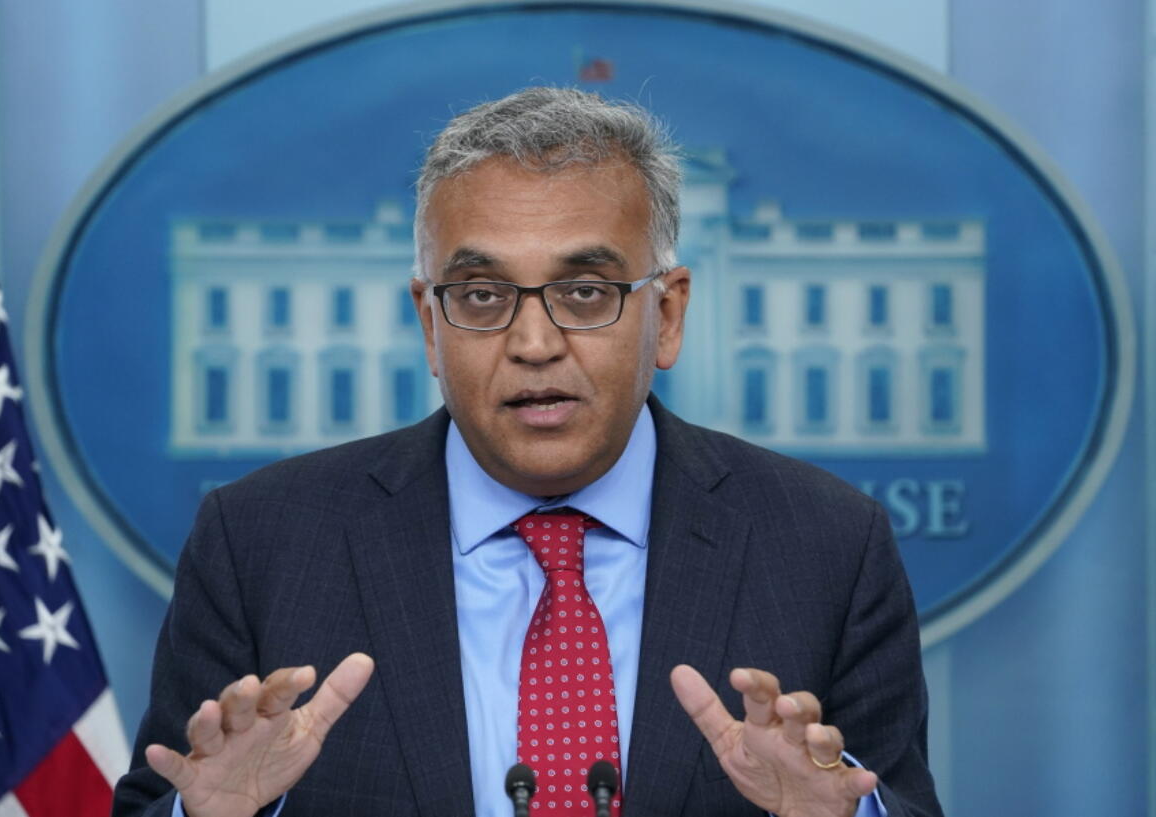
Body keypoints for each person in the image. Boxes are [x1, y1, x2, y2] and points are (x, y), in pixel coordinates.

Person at [112, 87, 943, 817]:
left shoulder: (830, 545)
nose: (535, 342)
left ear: (671, 314)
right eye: (481, 295)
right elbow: (162, 800)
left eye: (586, 293)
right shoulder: (259, 541)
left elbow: (897, 799)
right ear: (429, 324)